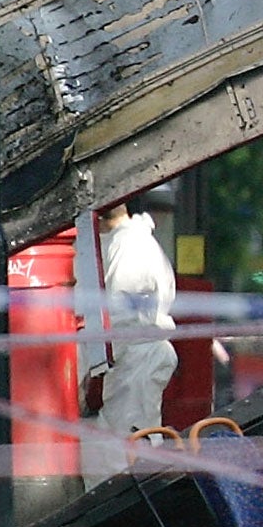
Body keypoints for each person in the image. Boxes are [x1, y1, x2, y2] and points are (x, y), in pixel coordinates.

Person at [80, 196, 178, 488]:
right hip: (137, 361)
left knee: (120, 456)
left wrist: (89, 369)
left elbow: (121, 321)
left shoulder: (129, 249)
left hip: (132, 363)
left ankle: (124, 525)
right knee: (133, 445)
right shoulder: (137, 244)